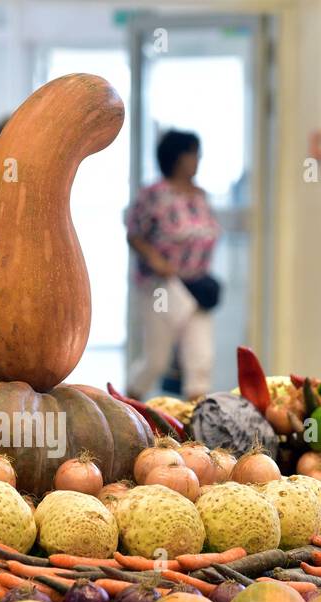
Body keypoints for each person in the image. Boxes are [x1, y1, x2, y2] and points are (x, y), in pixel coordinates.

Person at [124, 129, 221, 400]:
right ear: (178, 158)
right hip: (163, 287)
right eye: (193, 154)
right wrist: (156, 259)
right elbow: (134, 234)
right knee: (156, 359)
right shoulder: (154, 194)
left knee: (200, 358)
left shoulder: (200, 196)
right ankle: (126, 407)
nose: (197, 160)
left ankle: (196, 427)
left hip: (196, 285)